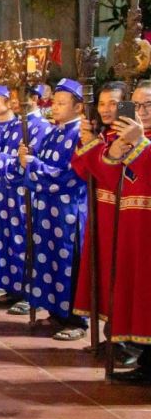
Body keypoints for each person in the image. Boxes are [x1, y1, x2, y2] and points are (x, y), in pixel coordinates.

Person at [17, 78, 89, 340]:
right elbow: (37, 161)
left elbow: (71, 175)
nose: (55, 107)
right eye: (54, 102)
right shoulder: (54, 132)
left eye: (61, 103)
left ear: (78, 107)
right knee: (48, 258)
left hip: (68, 211)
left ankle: (76, 319)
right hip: (46, 208)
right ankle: (56, 311)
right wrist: (26, 158)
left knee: (69, 262)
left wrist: (33, 164)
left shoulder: (80, 134)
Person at [71, 81, 133, 364]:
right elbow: (83, 170)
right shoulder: (103, 135)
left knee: (122, 277)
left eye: (114, 104)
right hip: (100, 214)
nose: (107, 109)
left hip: (124, 217)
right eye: (102, 103)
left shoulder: (129, 139)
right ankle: (112, 336)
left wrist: (93, 147)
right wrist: (87, 142)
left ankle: (127, 343)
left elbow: (111, 175)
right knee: (103, 275)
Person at [0, 87, 52, 310]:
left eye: (19, 97)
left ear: (34, 98)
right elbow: (0, 153)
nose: (15, 102)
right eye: (12, 97)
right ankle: (13, 288)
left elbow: (30, 161)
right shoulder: (14, 125)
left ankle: (30, 295)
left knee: (24, 239)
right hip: (6, 191)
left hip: (24, 193)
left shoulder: (41, 126)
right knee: (8, 239)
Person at [103, 80, 151, 383]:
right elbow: (105, 177)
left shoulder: (141, 139)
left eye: (148, 105)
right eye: (136, 105)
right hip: (131, 227)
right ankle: (145, 360)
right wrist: (113, 152)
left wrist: (141, 142)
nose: (141, 111)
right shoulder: (124, 136)